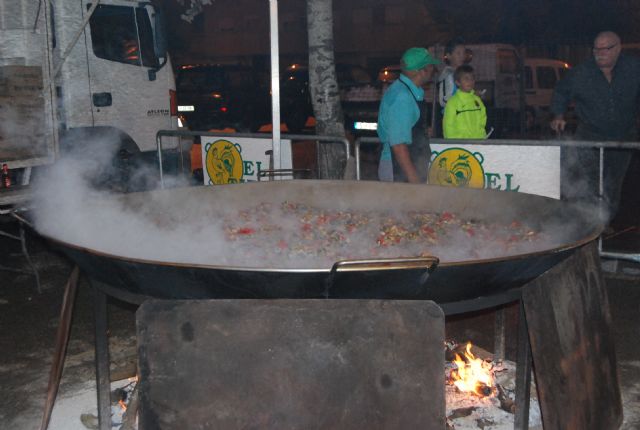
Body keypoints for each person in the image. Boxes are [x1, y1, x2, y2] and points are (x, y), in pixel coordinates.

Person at [550, 30, 640, 217]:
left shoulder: (634, 68)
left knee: (614, 182)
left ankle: (605, 220)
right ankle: (589, 222)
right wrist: (558, 114)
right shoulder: (581, 72)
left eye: (605, 49)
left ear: (618, 48)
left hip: (623, 137)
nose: (599, 53)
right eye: (596, 49)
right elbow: (561, 91)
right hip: (589, 136)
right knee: (590, 181)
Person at [377, 47, 440, 183]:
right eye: (430, 66)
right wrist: (414, 179)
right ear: (421, 71)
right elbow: (398, 145)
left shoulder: (406, 91)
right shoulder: (403, 97)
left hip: (405, 166)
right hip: (399, 170)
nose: (433, 69)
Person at [443, 65, 487, 139]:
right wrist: (452, 143)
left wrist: (481, 136)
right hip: (460, 144)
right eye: (466, 79)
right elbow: (448, 126)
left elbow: (483, 119)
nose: (470, 81)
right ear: (457, 82)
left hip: (478, 143)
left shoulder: (477, 100)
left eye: (472, 78)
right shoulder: (452, 102)